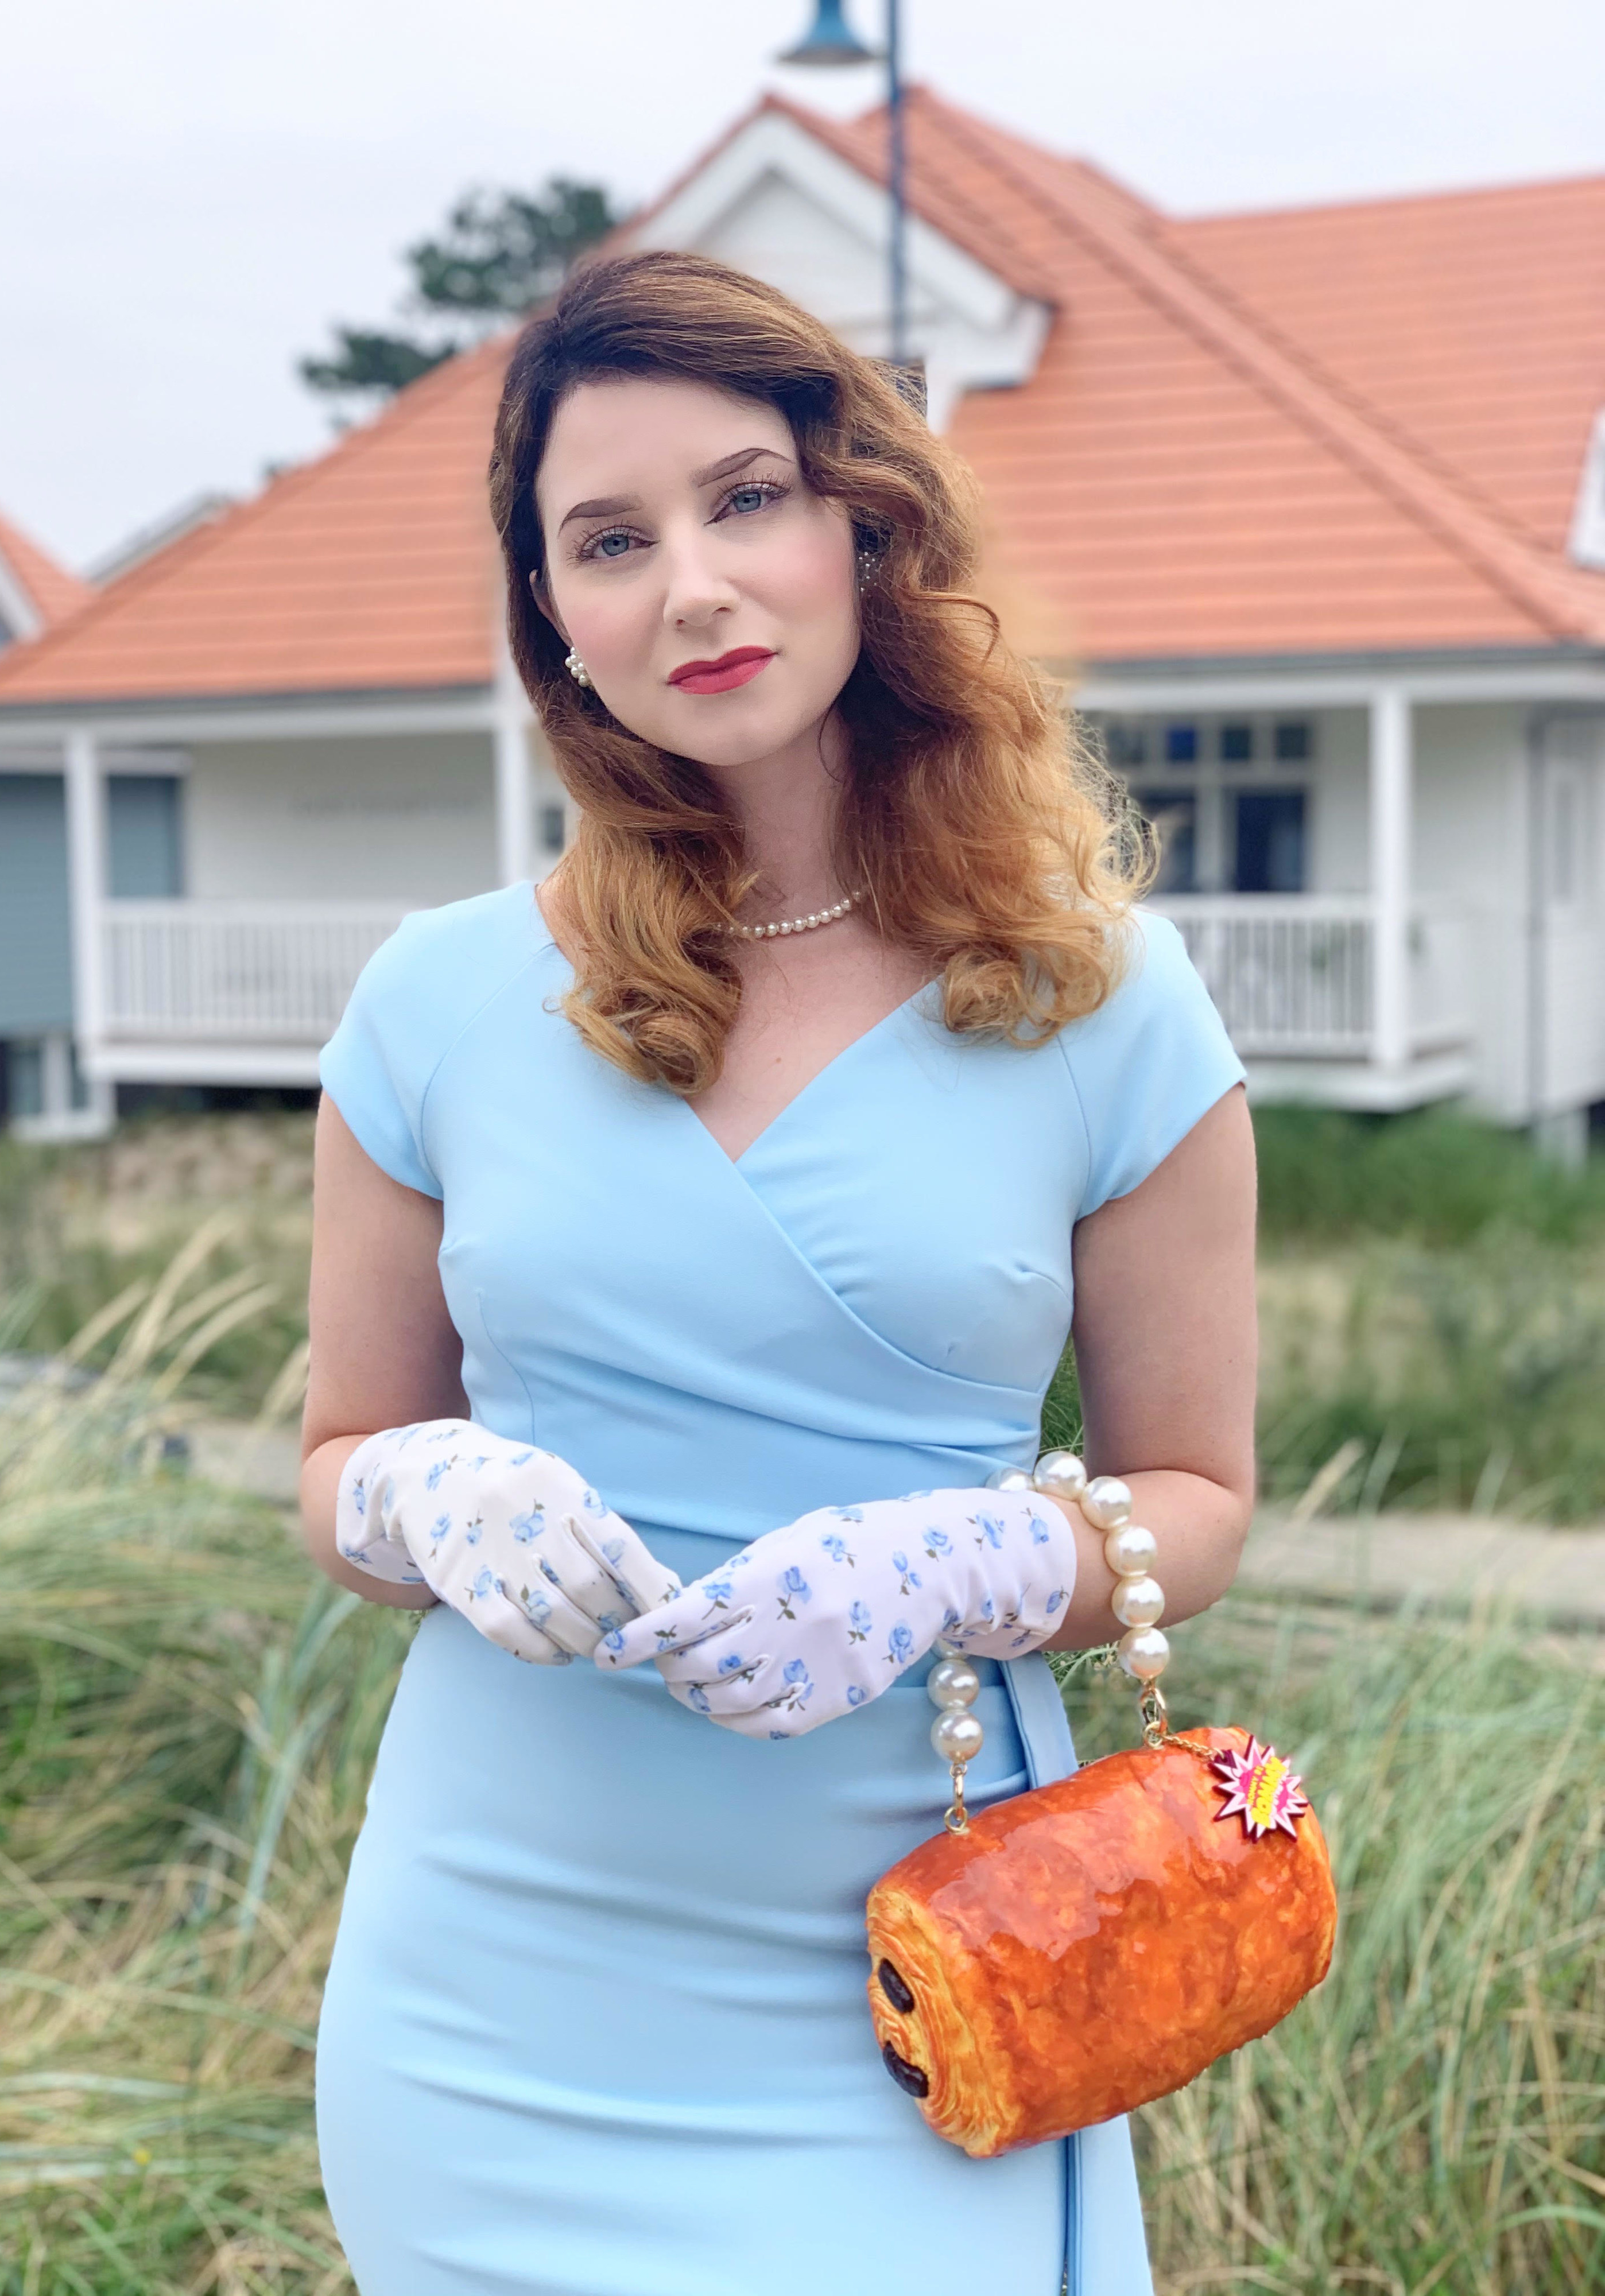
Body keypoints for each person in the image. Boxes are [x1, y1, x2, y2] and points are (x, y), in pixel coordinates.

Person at [301, 249, 1257, 2295]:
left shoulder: (1109, 1000)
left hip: (935, 1977)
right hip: (491, 1995)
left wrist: (966, 1566)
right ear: (554, 616)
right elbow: (339, 1458)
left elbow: (1200, 1495)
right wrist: (416, 1490)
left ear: (864, 519)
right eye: (611, 540)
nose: (697, 589)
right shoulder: (435, 1002)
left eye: (747, 499)